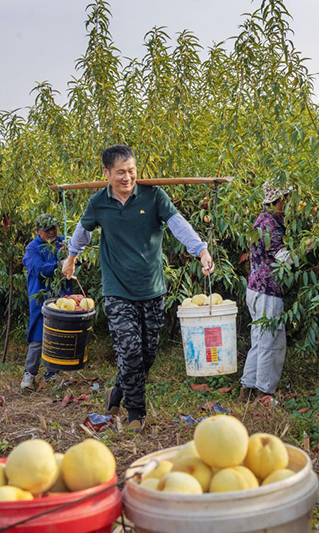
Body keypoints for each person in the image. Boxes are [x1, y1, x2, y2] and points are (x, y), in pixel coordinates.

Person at [62, 144, 214, 432]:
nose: (127, 177)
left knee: (146, 355)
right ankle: (136, 413)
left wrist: (201, 251)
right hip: (117, 289)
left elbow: (177, 223)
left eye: (131, 171)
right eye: (120, 172)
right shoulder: (99, 203)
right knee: (130, 351)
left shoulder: (153, 195)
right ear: (106, 173)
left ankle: (117, 391)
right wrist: (71, 258)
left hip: (152, 289)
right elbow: (82, 231)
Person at [240, 182, 293, 401]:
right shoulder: (269, 222)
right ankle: (265, 392)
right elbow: (283, 258)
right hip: (267, 290)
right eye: (287, 199)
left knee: (260, 341)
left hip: (257, 289)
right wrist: (311, 244)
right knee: (272, 342)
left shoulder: (266, 219)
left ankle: (248, 389)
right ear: (279, 200)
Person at [21, 214, 73, 391]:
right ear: (37, 231)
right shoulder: (32, 248)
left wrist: (74, 259)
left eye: (53, 228)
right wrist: (60, 264)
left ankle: (52, 372)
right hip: (40, 298)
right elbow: (37, 268)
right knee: (38, 336)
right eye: (46, 230)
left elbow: (76, 257)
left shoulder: (63, 243)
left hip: (62, 297)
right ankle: (29, 374)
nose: (51, 232)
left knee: (58, 334)